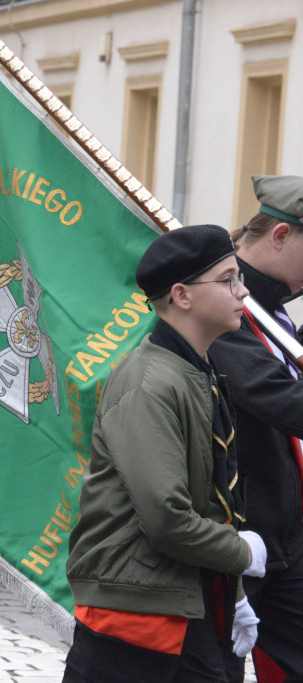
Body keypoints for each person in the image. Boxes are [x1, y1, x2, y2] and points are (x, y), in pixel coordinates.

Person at [63, 225, 268, 682]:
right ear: (182, 295)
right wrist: (240, 553)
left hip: (183, 595)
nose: (243, 290)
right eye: (229, 279)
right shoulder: (149, 384)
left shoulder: (197, 370)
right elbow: (167, 517)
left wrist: (233, 595)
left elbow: (211, 499)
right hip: (136, 612)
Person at [207, 175, 303, 682]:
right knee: (218, 669)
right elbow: (273, 394)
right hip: (235, 529)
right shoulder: (226, 300)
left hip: (285, 531)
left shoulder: (273, 309)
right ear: (281, 235)